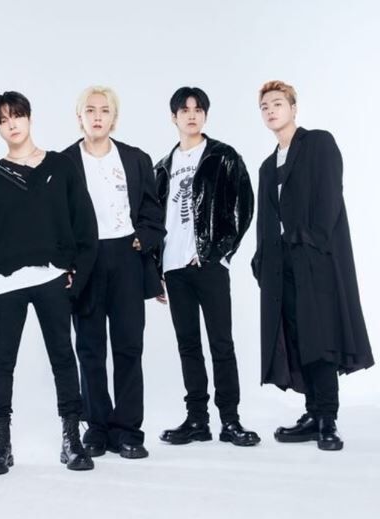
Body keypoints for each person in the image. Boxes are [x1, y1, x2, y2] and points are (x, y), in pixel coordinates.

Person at [0, 91, 98, 475]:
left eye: (17, 115)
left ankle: (71, 439)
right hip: (6, 284)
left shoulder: (61, 167)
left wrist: (77, 274)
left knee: (63, 358)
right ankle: (1, 445)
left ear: (29, 118)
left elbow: (84, 223)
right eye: (3, 120)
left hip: (53, 277)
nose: (12, 124)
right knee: (1, 363)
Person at [254, 80, 374, 451]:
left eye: (277, 103)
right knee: (295, 336)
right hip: (282, 265)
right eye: (264, 107)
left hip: (315, 258)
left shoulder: (318, 143)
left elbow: (330, 195)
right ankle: (311, 413)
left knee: (319, 337)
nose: (271, 110)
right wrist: (262, 260)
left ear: (293, 108)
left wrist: (311, 237)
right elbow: (265, 219)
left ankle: (327, 419)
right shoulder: (267, 166)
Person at [155, 86, 260, 447]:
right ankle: (197, 420)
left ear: (205, 115)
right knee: (188, 345)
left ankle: (230, 420)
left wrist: (220, 253)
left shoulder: (222, 156)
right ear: (174, 117)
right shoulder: (162, 167)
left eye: (198, 109)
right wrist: (156, 270)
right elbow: (153, 220)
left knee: (221, 344)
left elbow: (244, 205)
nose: (192, 115)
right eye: (185, 110)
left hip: (209, 265)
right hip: (174, 269)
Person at [62, 86, 164, 459]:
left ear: (114, 118)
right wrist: (66, 263)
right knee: (89, 348)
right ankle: (97, 427)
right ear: (79, 117)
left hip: (127, 258)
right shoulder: (64, 163)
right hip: (86, 262)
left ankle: (128, 430)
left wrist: (143, 238)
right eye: (90, 110)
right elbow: (56, 219)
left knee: (129, 346)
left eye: (105, 110)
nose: (97, 116)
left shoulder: (136, 159)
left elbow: (153, 211)